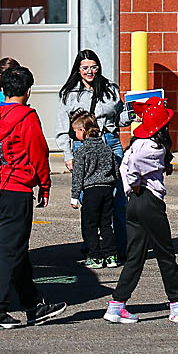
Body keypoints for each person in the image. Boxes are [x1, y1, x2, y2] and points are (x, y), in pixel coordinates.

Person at [103, 98, 178, 323]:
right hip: (149, 202)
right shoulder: (154, 147)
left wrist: (131, 187)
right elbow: (132, 169)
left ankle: (117, 304)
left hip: (134, 203)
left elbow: (126, 166)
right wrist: (135, 183)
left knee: (135, 256)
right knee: (165, 254)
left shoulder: (137, 143)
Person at [0, 64, 66, 330]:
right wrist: (45, 183)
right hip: (18, 189)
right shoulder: (27, 117)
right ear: (28, 91)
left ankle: (34, 305)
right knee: (9, 251)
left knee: (15, 249)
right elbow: (38, 152)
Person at [58, 49, 128, 262]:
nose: (90, 71)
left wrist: (133, 113)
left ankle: (118, 248)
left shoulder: (110, 89)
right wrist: (68, 155)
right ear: (78, 70)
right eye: (85, 68)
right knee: (89, 201)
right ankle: (93, 247)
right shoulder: (69, 93)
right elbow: (62, 128)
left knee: (117, 199)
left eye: (93, 67)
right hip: (83, 147)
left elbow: (120, 117)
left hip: (110, 143)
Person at [69, 111, 124, 269]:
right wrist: (113, 184)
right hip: (107, 189)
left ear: (83, 131)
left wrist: (74, 196)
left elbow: (78, 175)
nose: (75, 134)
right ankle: (111, 255)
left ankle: (95, 256)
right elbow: (115, 169)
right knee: (106, 223)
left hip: (91, 190)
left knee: (90, 224)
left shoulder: (82, 151)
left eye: (76, 131)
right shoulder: (107, 148)